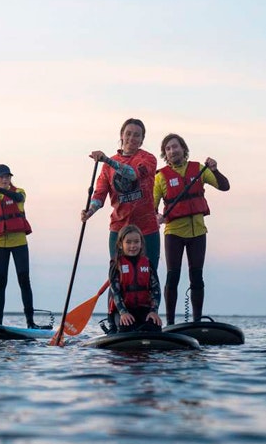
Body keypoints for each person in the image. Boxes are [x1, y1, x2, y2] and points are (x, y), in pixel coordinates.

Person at [153, 133, 230, 325]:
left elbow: (224, 186)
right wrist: (157, 216)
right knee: (173, 276)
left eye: (175, 146)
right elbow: (152, 207)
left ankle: (197, 321)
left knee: (196, 276)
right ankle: (170, 323)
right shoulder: (160, 177)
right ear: (165, 154)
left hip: (198, 232)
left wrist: (215, 170)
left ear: (183, 149)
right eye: (168, 149)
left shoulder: (199, 169)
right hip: (173, 233)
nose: (172, 151)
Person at [80, 117, 161, 270]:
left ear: (142, 139)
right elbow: (99, 194)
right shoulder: (107, 166)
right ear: (121, 136)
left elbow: (132, 174)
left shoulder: (148, 159)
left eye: (137, 135)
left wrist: (106, 160)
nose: (132, 138)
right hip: (119, 229)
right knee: (118, 275)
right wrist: (90, 211)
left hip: (147, 229)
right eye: (128, 133)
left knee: (149, 275)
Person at [0, 164, 45, 329]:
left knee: (23, 280)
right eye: (1, 177)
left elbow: (17, 198)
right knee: (0, 282)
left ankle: (30, 322)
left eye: (7, 177)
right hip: (0, 244)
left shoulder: (19, 192)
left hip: (19, 242)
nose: (5, 179)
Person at [107, 224, 162, 334]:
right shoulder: (116, 265)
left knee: (155, 327)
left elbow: (156, 290)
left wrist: (154, 311)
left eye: (136, 242)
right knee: (126, 328)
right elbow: (115, 292)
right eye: (128, 242)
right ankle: (113, 327)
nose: (133, 246)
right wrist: (123, 312)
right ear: (121, 244)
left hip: (143, 309)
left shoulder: (147, 264)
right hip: (122, 311)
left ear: (141, 243)